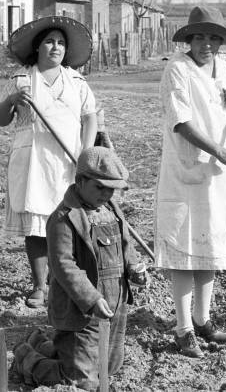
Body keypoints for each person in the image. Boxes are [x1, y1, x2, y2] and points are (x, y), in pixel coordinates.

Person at [155, 6, 226, 358]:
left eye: (212, 37)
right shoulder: (177, 69)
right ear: (189, 39)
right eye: (199, 37)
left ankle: (203, 319)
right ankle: (183, 329)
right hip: (187, 169)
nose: (206, 44)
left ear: (221, 40)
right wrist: (219, 151)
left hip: (219, 173)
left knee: (209, 244)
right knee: (185, 248)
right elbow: (180, 122)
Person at [12, 147, 148, 389]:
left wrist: (134, 267)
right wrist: (91, 298)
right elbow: (63, 265)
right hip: (80, 311)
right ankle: (27, 359)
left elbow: (126, 245)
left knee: (109, 367)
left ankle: (44, 345)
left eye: (111, 189)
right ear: (80, 181)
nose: (106, 194)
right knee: (82, 381)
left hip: (115, 304)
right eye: (99, 187)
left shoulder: (112, 211)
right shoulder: (64, 218)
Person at [0, 16, 98, 308]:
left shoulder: (76, 82)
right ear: (38, 47)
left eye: (61, 42)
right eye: (50, 41)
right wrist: (12, 101)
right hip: (33, 160)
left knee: (66, 221)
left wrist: (85, 154)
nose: (56, 47)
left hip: (68, 162)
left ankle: (63, 282)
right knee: (37, 225)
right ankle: (41, 286)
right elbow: (0, 119)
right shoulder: (22, 79)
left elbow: (90, 117)